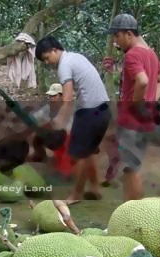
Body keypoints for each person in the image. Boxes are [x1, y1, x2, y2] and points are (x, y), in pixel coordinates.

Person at [35, 36, 112, 205]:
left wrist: (59, 122)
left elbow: (68, 97)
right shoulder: (77, 57)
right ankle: (95, 188)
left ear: (54, 49)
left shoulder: (64, 65)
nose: (47, 62)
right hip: (103, 110)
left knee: (76, 155)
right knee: (88, 151)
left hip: (90, 112)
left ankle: (76, 195)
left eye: (47, 58)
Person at [103, 14, 160, 201]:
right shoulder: (149, 53)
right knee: (130, 166)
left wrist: (136, 106)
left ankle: (135, 212)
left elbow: (142, 81)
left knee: (130, 170)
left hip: (132, 121)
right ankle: (130, 210)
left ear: (129, 34)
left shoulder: (133, 55)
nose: (116, 41)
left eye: (117, 36)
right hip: (144, 120)